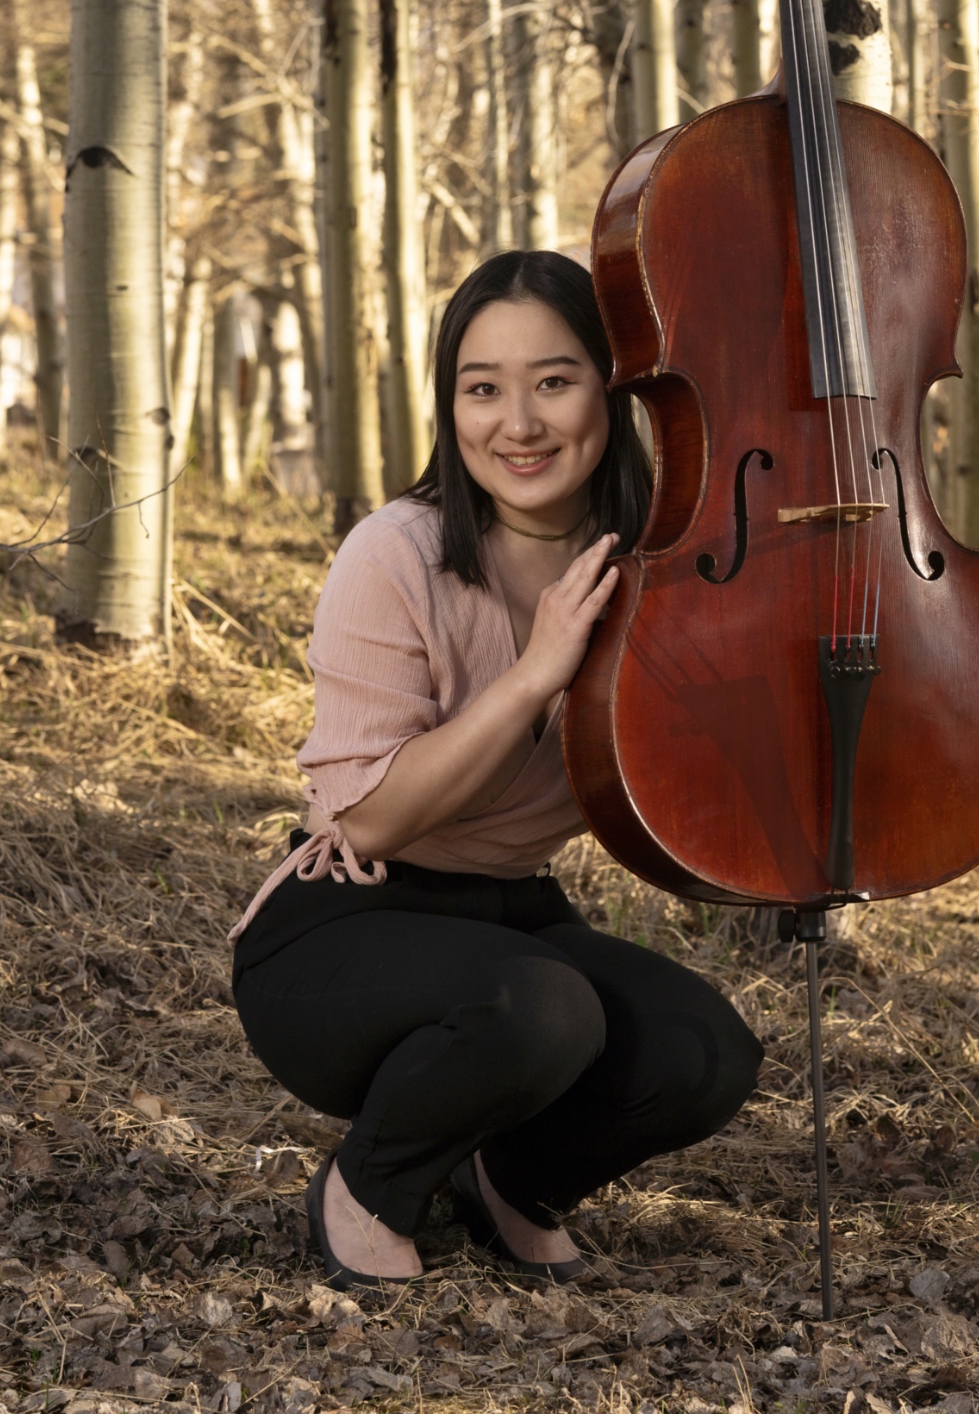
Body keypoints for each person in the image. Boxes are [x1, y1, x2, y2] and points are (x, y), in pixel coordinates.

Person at [229, 250, 763, 1290]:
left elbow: (695, 795)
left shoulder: (656, 564)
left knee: (705, 1050)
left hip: (515, 924)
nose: (517, 421)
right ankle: (368, 1186)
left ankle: (508, 1178)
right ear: (450, 403)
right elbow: (371, 821)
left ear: (612, 390)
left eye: (553, 381)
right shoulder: (394, 552)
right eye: (483, 387)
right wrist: (531, 679)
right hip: (343, 923)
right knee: (545, 1007)